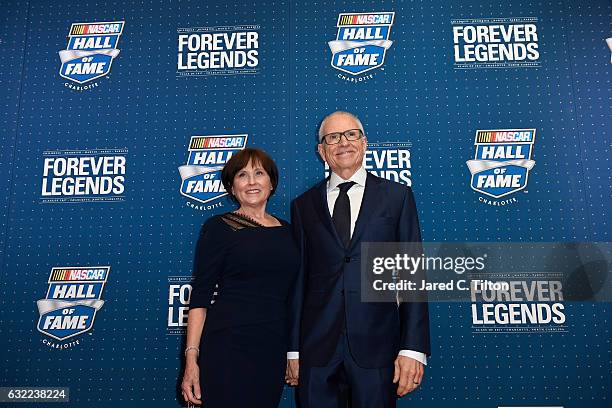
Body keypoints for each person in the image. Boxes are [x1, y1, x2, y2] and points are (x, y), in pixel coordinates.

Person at [285, 111, 430, 407]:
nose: (343, 143)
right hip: (316, 351)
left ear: (364, 143)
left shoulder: (397, 197)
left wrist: (412, 349)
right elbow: (298, 281)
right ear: (321, 151)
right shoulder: (303, 205)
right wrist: (293, 351)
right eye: (332, 137)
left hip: (377, 349)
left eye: (351, 134)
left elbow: (412, 274)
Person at [181, 148, 298, 408]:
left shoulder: (290, 232)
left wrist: (293, 351)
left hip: (272, 346)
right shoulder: (219, 227)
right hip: (228, 344)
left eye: (259, 173)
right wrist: (191, 358)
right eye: (243, 175)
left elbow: (295, 297)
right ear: (232, 187)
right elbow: (200, 296)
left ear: (271, 182)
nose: (252, 181)